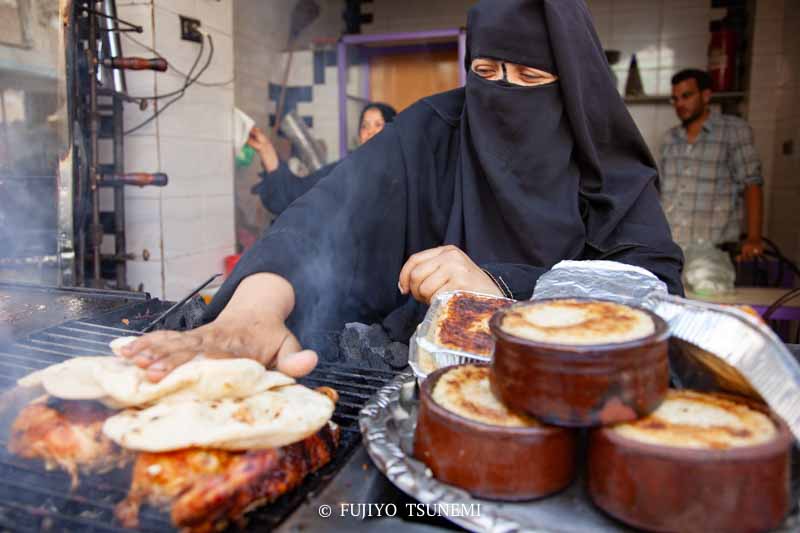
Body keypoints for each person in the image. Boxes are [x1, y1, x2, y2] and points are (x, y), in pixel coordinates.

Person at [120, 0, 683, 382]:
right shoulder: (435, 130)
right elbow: (329, 212)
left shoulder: (604, 164)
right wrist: (251, 312)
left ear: (573, 89)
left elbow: (653, 291)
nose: (506, 96)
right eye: (487, 72)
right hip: (423, 393)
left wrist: (503, 288)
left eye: (532, 80)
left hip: (568, 404)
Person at [660, 68, 764, 261]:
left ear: (706, 96)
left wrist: (754, 238)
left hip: (714, 252)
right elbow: (662, 192)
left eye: (686, 96)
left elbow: (752, 183)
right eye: (675, 99)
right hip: (672, 248)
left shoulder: (733, 130)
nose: (680, 104)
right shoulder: (670, 138)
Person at [248, 102, 397, 215]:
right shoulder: (347, 170)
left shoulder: (405, 173)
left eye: (378, 125)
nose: (369, 132)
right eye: (364, 126)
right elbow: (299, 194)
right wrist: (266, 150)